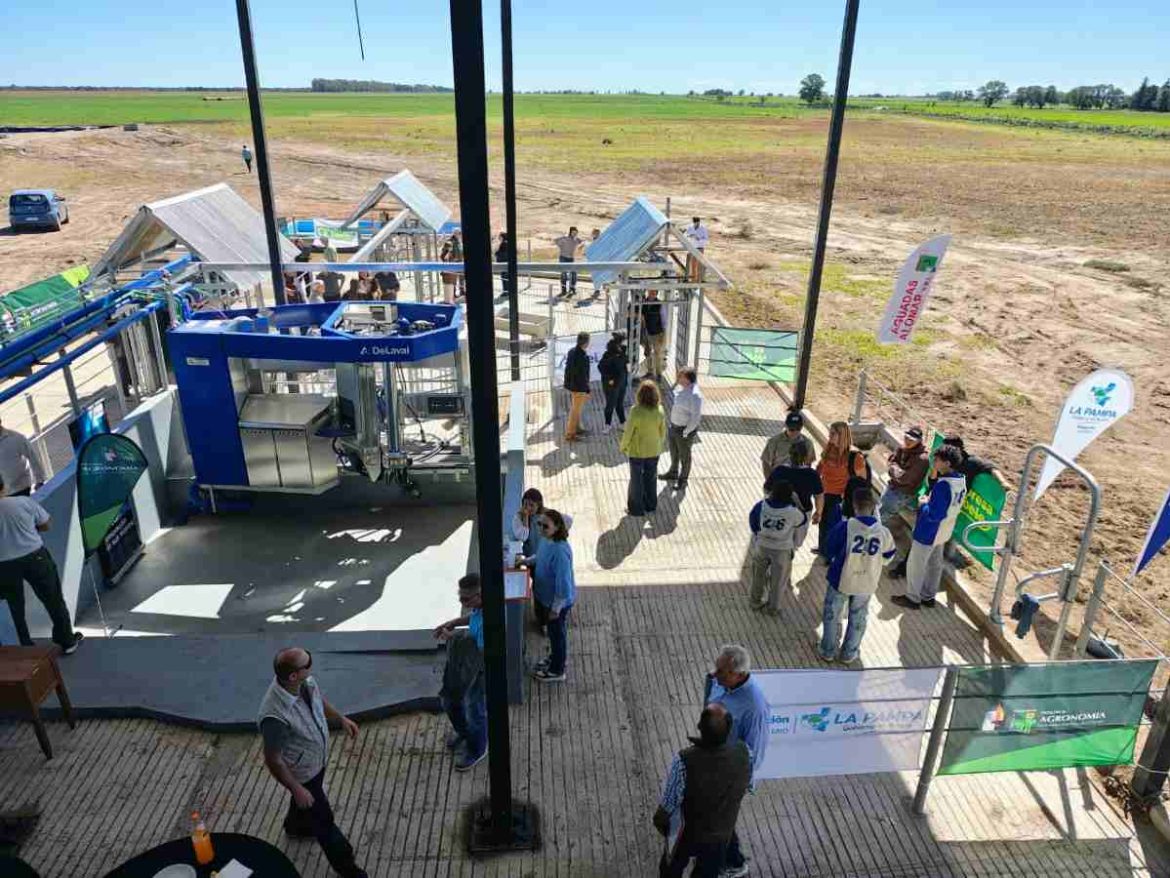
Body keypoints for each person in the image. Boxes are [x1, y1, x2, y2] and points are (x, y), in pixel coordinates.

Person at [257, 648, 368, 878]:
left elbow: (319, 701)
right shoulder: (274, 716)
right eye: (308, 662)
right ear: (293, 676)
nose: (311, 664)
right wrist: (297, 788)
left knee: (306, 801)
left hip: (317, 760)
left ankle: (296, 827)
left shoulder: (304, 682)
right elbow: (273, 759)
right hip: (303, 773)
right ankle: (348, 868)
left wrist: (340, 718)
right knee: (324, 822)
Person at [654, 703, 751, 878]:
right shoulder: (744, 753)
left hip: (686, 833)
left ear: (699, 727)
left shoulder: (684, 761)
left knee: (670, 870)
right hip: (720, 837)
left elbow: (667, 807)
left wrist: (662, 824)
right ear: (729, 730)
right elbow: (745, 784)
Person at [705, 644, 768, 878]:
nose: (715, 674)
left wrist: (741, 783)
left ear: (739, 674)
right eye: (717, 668)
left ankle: (734, 862)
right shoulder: (718, 681)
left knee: (721, 819)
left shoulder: (755, 707)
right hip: (711, 758)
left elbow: (755, 751)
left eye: (722, 671)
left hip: (729, 773)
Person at [0, 476, 82, 653]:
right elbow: (46, 525)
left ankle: (24, 647)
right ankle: (67, 641)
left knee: (15, 608)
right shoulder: (23, 502)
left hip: (4, 566)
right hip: (35, 557)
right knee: (53, 598)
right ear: (3, 486)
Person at [818, 488, 895, 663]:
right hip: (867, 582)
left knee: (832, 614)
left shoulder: (845, 527)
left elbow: (827, 550)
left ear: (853, 505)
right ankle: (849, 653)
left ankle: (828, 650)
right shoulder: (883, 532)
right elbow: (889, 557)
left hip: (841, 579)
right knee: (858, 617)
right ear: (874, 507)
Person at [894, 445, 968, 610]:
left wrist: (923, 504)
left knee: (916, 564)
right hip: (945, 531)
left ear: (947, 463)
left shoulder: (943, 485)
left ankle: (912, 598)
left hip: (929, 531)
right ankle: (928, 596)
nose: (934, 462)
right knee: (935, 564)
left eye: (937, 460)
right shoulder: (961, 481)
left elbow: (935, 514)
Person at [432, 574, 487, 771]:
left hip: (478, 671)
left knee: (475, 710)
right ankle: (464, 732)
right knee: (450, 701)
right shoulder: (480, 607)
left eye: (465, 599)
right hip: (465, 665)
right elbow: (474, 617)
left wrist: (451, 638)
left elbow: (478, 652)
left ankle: (477, 749)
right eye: (459, 596)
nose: (461, 601)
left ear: (480, 595)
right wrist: (455, 622)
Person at [518, 509, 576, 682]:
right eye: (539, 524)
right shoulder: (547, 540)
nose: (540, 528)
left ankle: (557, 671)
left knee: (557, 634)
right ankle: (557, 659)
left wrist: (556, 609)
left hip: (555, 603)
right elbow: (540, 557)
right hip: (546, 599)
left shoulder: (560, 552)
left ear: (557, 527)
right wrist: (526, 561)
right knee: (555, 634)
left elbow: (564, 585)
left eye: (545, 526)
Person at [748, 480, 807, 615]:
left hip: (762, 545)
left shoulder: (761, 506)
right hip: (782, 549)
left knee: (758, 575)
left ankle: (755, 601)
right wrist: (796, 501)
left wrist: (759, 534)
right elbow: (803, 519)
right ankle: (773, 608)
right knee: (778, 580)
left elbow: (753, 521)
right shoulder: (792, 512)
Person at [880, 426, 931, 578]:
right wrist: (896, 470)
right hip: (893, 489)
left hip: (902, 495)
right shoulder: (903, 448)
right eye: (906, 437)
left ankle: (876, 549)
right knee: (880, 517)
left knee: (879, 520)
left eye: (911, 440)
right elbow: (891, 461)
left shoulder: (922, 459)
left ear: (919, 441)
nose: (907, 441)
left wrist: (894, 470)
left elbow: (905, 479)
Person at [814, 421, 869, 555]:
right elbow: (821, 466)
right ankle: (823, 548)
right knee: (822, 523)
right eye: (830, 432)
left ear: (842, 435)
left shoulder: (855, 457)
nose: (829, 436)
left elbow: (862, 480)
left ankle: (831, 553)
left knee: (834, 527)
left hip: (839, 497)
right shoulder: (829, 448)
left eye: (833, 434)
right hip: (824, 492)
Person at [766, 438, 823, 549]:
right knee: (795, 544)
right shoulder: (812, 475)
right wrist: (818, 513)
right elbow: (819, 496)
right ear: (806, 456)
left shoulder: (780, 471)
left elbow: (767, 490)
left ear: (789, 454)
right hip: (802, 513)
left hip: (780, 512)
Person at [620, 380, 666, 516]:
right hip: (654, 451)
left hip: (637, 452)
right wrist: (658, 446)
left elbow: (628, 432)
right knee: (651, 478)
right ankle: (651, 505)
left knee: (636, 481)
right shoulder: (660, 410)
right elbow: (662, 432)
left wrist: (623, 446)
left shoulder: (635, 411)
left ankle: (636, 509)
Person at [661, 366, 702, 491]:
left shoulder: (695, 395)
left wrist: (686, 432)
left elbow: (695, 418)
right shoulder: (683, 389)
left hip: (683, 430)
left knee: (685, 456)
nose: (678, 378)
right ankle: (673, 472)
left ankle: (683, 480)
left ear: (688, 379)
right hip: (674, 426)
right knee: (674, 452)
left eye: (681, 376)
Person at [0, 420, 46, 497]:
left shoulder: (16, 438)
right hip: (3, 494)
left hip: (21, 488)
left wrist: (39, 481)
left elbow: (32, 457)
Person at [761, 411, 811, 478]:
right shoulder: (774, 442)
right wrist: (769, 481)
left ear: (802, 427)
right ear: (786, 426)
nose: (795, 432)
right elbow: (766, 462)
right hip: (778, 479)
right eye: (791, 429)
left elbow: (808, 465)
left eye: (798, 429)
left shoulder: (807, 443)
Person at [563, 331, 592, 442]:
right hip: (579, 387)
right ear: (586, 343)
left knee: (576, 408)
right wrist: (587, 390)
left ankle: (577, 428)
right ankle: (570, 434)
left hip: (572, 385)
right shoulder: (584, 357)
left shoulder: (572, 352)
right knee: (575, 410)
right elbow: (584, 376)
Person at [598, 335, 629, 434]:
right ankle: (607, 425)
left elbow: (626, 365)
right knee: (610, 405)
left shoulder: (622, 354)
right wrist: (609, 379)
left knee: (620, 404)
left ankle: (622, 423)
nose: (622, 347)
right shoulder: (607, 357)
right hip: (612, 385)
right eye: (620, 346)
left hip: (622, 384)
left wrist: (627, 373)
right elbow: (601, 367)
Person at [640, 290, 666, 380]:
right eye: (650, 292)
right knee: (647, 353)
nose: (652, 294)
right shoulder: (644, 302)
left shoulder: (660, 304)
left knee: (657, 354)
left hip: (657, 333)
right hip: (646, 332)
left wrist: (663, 334)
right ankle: (650, 371)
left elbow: (664, 320)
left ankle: (659, 374)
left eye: (654, 292)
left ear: (656, 293)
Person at [554, 226, 587, 297]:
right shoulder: (565, 238)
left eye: (576, 233)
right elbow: (555, 240)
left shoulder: (576, 239)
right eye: (574, 233)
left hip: (571, 259)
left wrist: (582, 245)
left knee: (574, 273)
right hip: (563, 258)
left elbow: (583, 242)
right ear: (570, 232)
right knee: (564, 274)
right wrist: (561, 245)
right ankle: (563, 289)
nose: (575, 234)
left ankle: (572, 288)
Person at [684, 216, 709, 282]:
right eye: (694, 222)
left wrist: (699, 239)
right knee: (693, 264)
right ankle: (693, 279)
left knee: (699, 265)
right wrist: (689, 236)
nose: (695, 224)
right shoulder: (690, 227)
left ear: (699, 222)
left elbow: (706, 239)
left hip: (700, 248)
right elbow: (685, 235)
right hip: (692, 247)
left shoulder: (703, 228)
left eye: (696, 223)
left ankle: (699, 280)